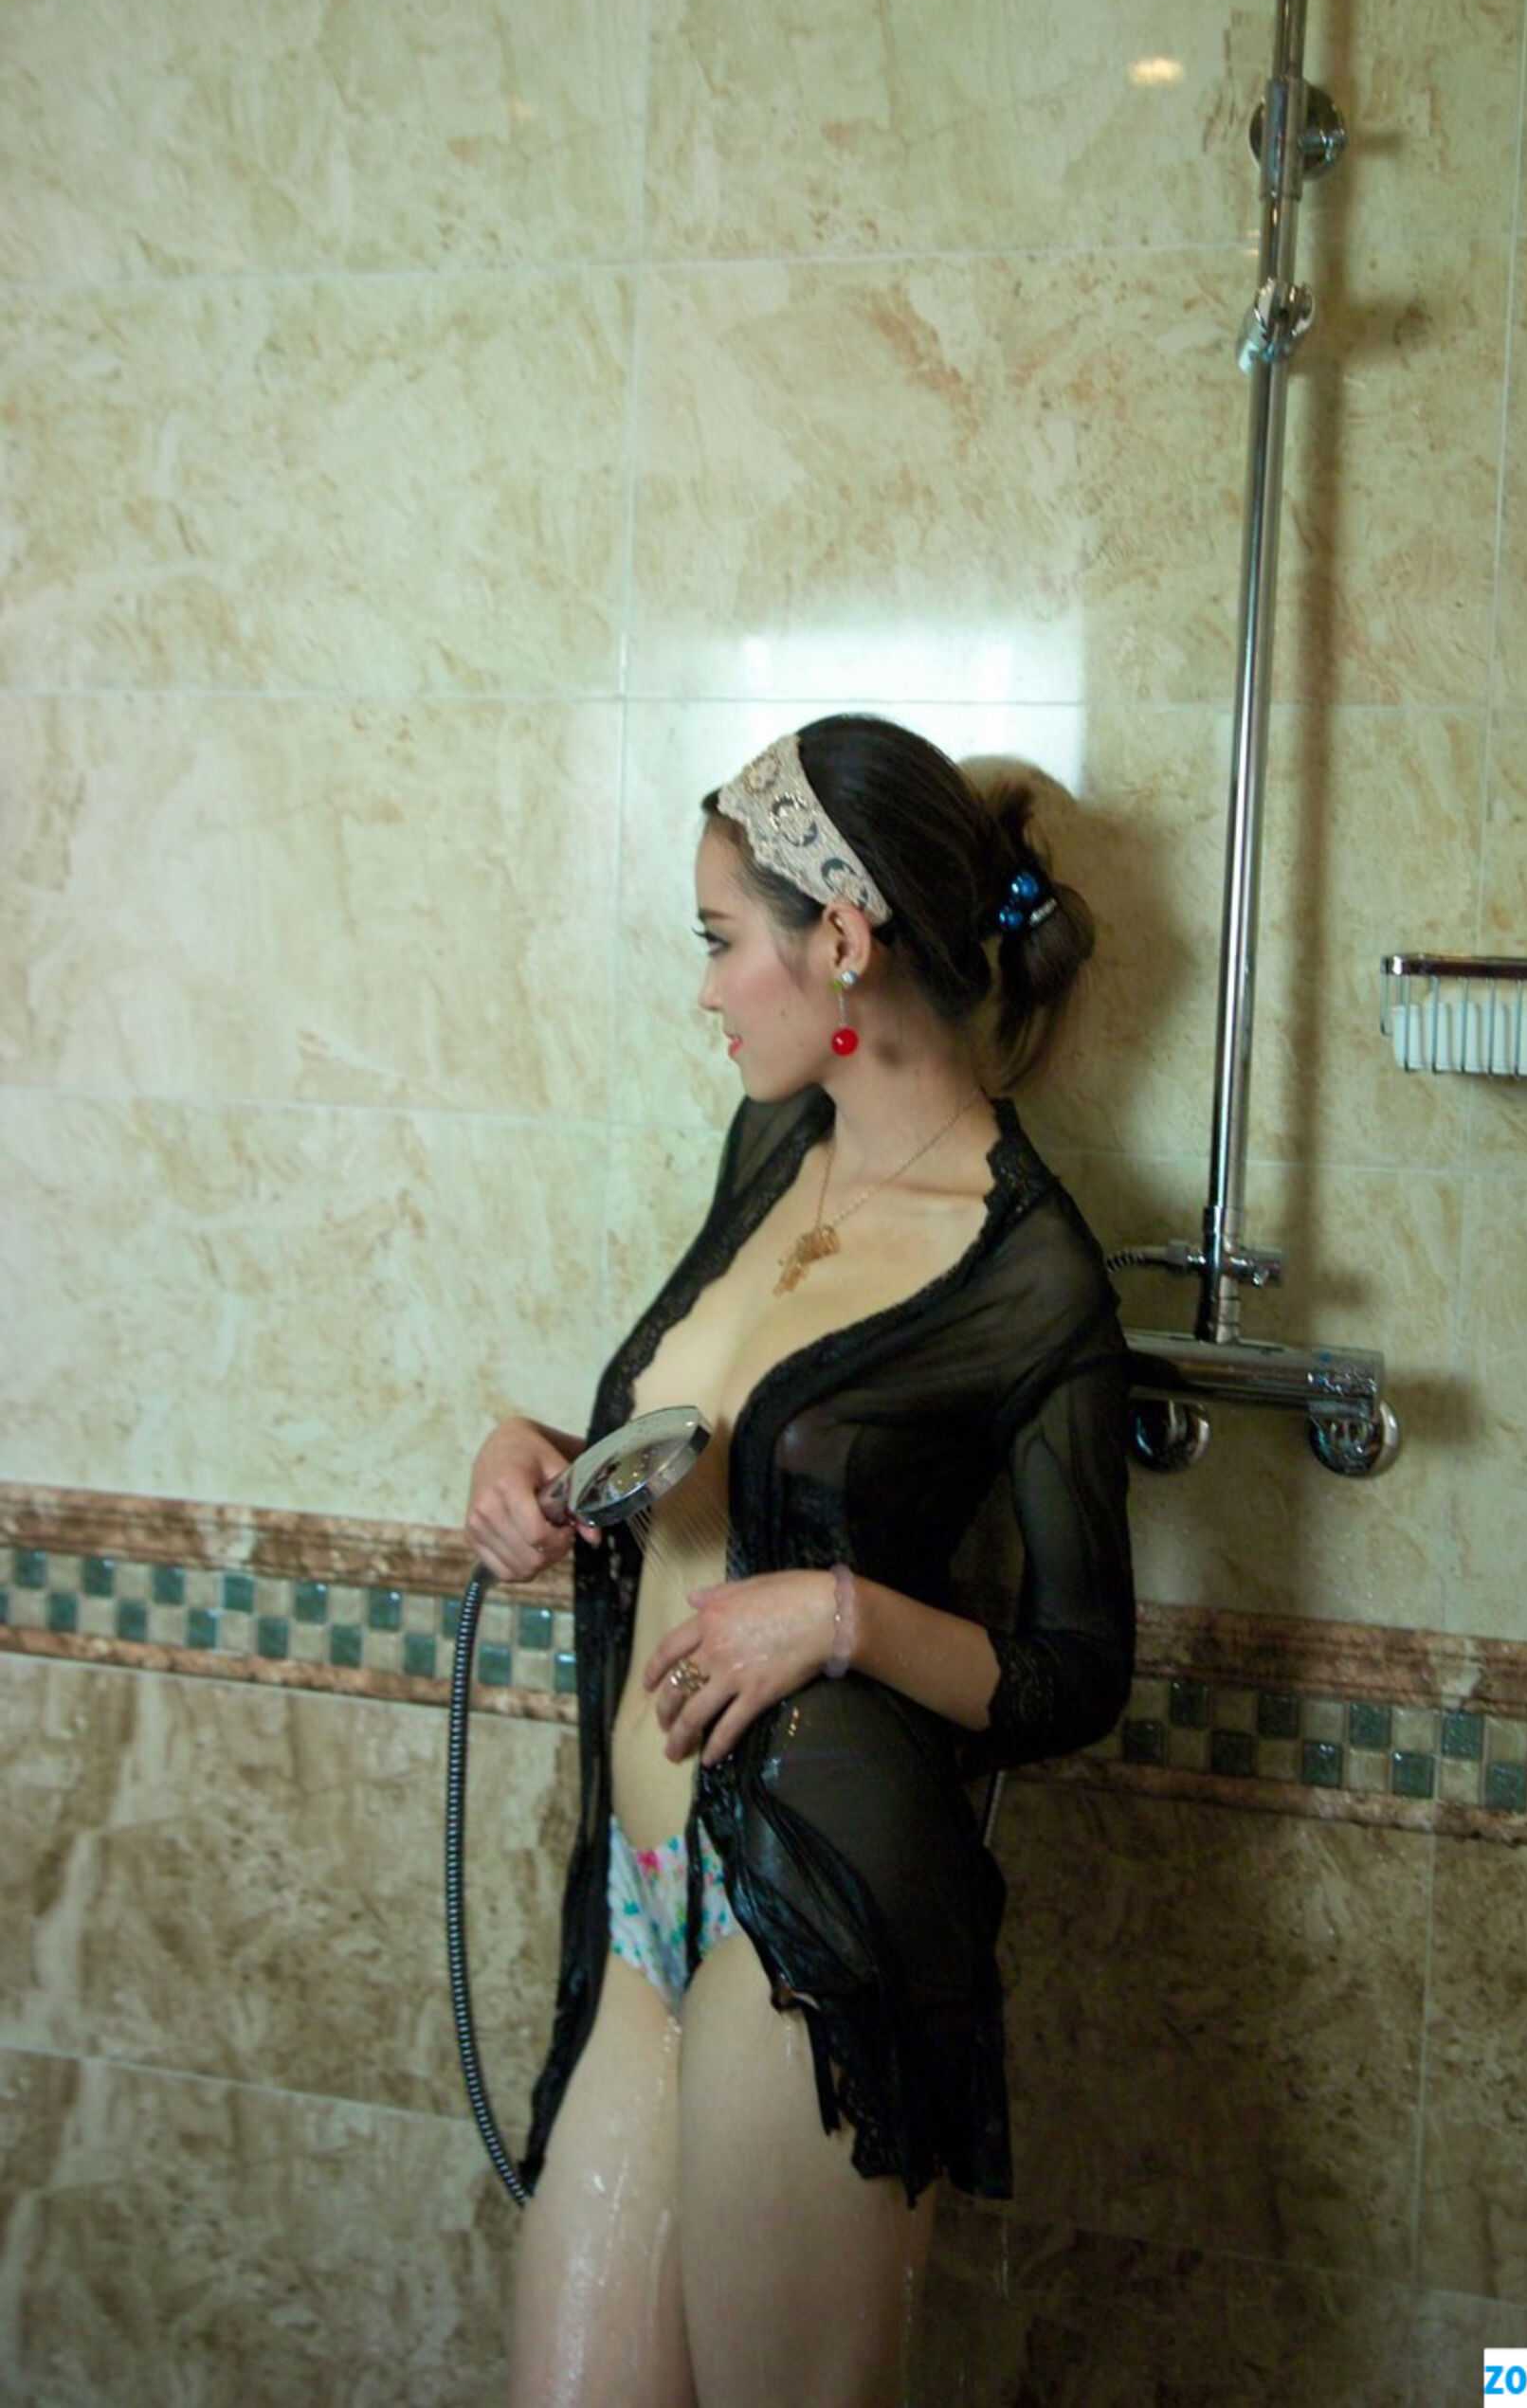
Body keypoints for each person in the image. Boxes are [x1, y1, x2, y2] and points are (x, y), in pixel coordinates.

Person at [464, 713, 1136, 2408]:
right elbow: (716, 1451)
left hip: (815, 1925)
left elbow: (1076, 1671)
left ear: (840, 938)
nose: (706, 990)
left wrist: (840, 1618)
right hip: (643, 1885)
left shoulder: (1029, 1269)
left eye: (720, 941)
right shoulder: (775, 1145)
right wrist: (540, 1459)